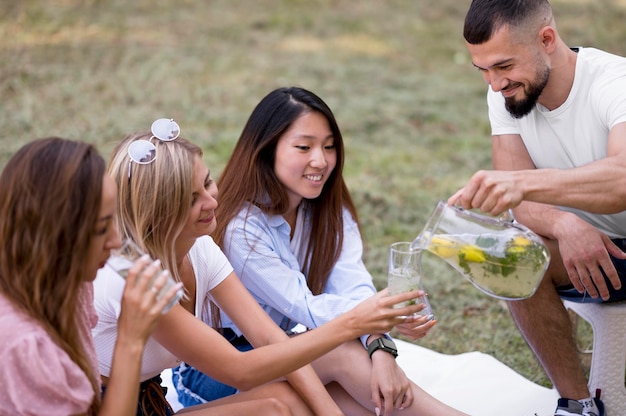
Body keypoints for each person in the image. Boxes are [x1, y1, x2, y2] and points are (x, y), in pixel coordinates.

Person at [93, 117, 425, 416]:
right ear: (159, 210)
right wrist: (354, 323)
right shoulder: (133, 278)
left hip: (152, 403)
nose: (211, 202)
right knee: (278, 406)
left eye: (207, 183)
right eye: (191, 199)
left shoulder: (200, 248)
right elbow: (238, 370)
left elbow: (268, 336)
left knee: (291, 400)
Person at [174, 87, 467, 416]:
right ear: (267, 150)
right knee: (343, 354)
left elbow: (352, 284)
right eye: (304, 147)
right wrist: (378, 323)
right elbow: (307, 308)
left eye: (329, 147)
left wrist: (380, 346)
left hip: (283, 350)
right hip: (218, 373)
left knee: (359, 400)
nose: (321, 160)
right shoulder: (242, 229)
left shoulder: (326, 209)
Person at [449, 1, 626, 415]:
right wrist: (565, 223)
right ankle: (578, 405)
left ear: (546, 39)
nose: (494, 84)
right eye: (484, 71)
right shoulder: (509, 93)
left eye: (503, 66)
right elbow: (524, 208)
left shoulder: (615, 82)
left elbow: (622, 179)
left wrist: (521, 184)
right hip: (595, 251)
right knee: (508, 257)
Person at [0, 137, 181, 415]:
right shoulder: (23, 345)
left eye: (114, 220)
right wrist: (130, 341)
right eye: (100, 229)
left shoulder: (73, 287)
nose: (116, 240)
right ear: (53, 235)